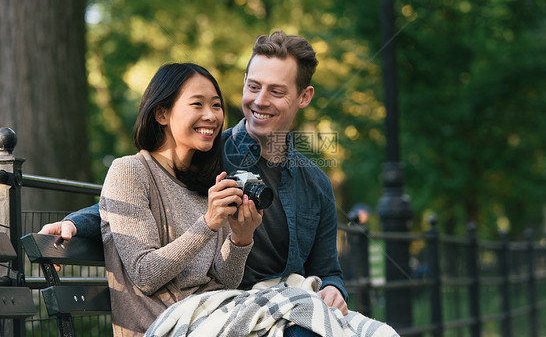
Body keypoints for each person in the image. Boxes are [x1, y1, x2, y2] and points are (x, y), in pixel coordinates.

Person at [40, 31, 349, 335]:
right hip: (231, 312)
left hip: (266, 310)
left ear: (304, 97)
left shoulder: (316, 183)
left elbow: (328, 269)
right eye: (253, 86)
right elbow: (133, 202)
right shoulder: (207, 156)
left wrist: (334, 288)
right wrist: (74, 223)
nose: (259, 100)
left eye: (276, 92)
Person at [97, 62, 262, 335]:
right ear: (162, 113)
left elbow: (227, 282)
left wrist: (241, 239)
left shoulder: (207, 183)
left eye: (216, 105)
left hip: (213, 318)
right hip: (163, 326)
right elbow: (145, 274)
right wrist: (207, 224)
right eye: (197, 104)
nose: (211, 116)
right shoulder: (130, 171)